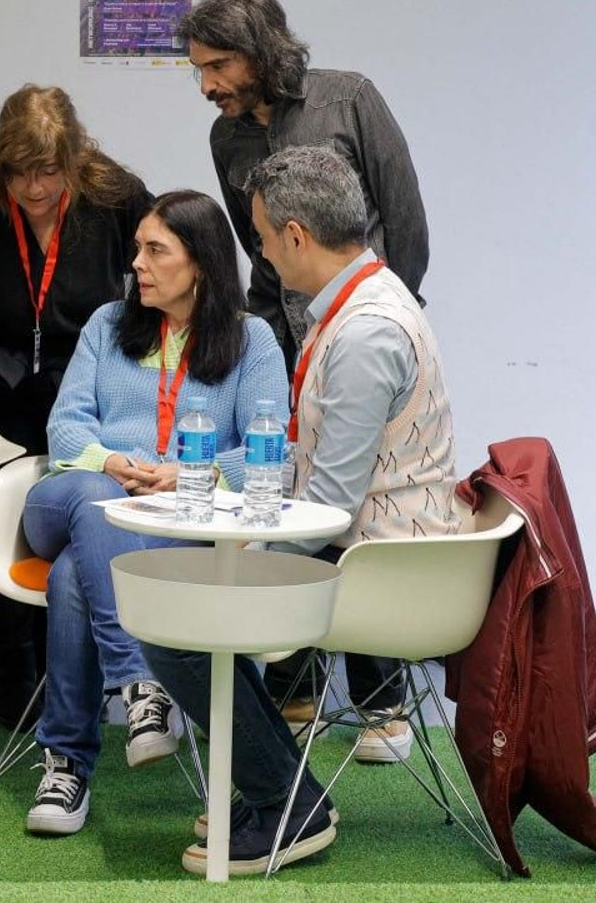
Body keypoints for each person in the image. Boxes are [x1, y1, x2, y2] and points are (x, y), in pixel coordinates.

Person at [143, 145, 459, 876]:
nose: (258, 254)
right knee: (192, 597)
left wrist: (239, 553)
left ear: (295, 235)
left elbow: (328, 507)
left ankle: (286, 801)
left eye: (258, 235)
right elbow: (310, 471)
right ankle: (277, 791)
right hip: (373, 549)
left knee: (178, 622)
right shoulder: (358, 308)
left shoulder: (365, 333)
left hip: (381, 570)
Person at [22, 191, 288, 838]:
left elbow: (267, 448)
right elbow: (63, 429)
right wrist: (112, 463)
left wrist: (190, 473)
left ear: (200, 263)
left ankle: (66, 764)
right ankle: (140, 684)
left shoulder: (252, 341)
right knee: (92, 503)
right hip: (74, 492)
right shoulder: (108, 325)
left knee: (71, 580)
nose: (137, 263)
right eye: (138, 249)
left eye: (155, 250)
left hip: (178, 523)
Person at [0, 84, 152, 729]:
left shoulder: (117, 199)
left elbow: (164, 281)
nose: (36, 188)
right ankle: (15, 675)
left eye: (49, 171)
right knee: (1, 520)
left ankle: (86, 672)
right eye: (20, 173)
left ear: (74, 160)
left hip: (90, 393)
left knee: (89, 524)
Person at [182, 0, 428, 379]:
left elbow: (406, 225)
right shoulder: (225, 138)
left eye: (218, 65)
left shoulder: (349, 100)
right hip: (290, 343)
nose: (207, 86)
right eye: (199, 70)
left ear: (260, 55)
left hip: (370, 331)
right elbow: (261, 250)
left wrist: (388, 317)